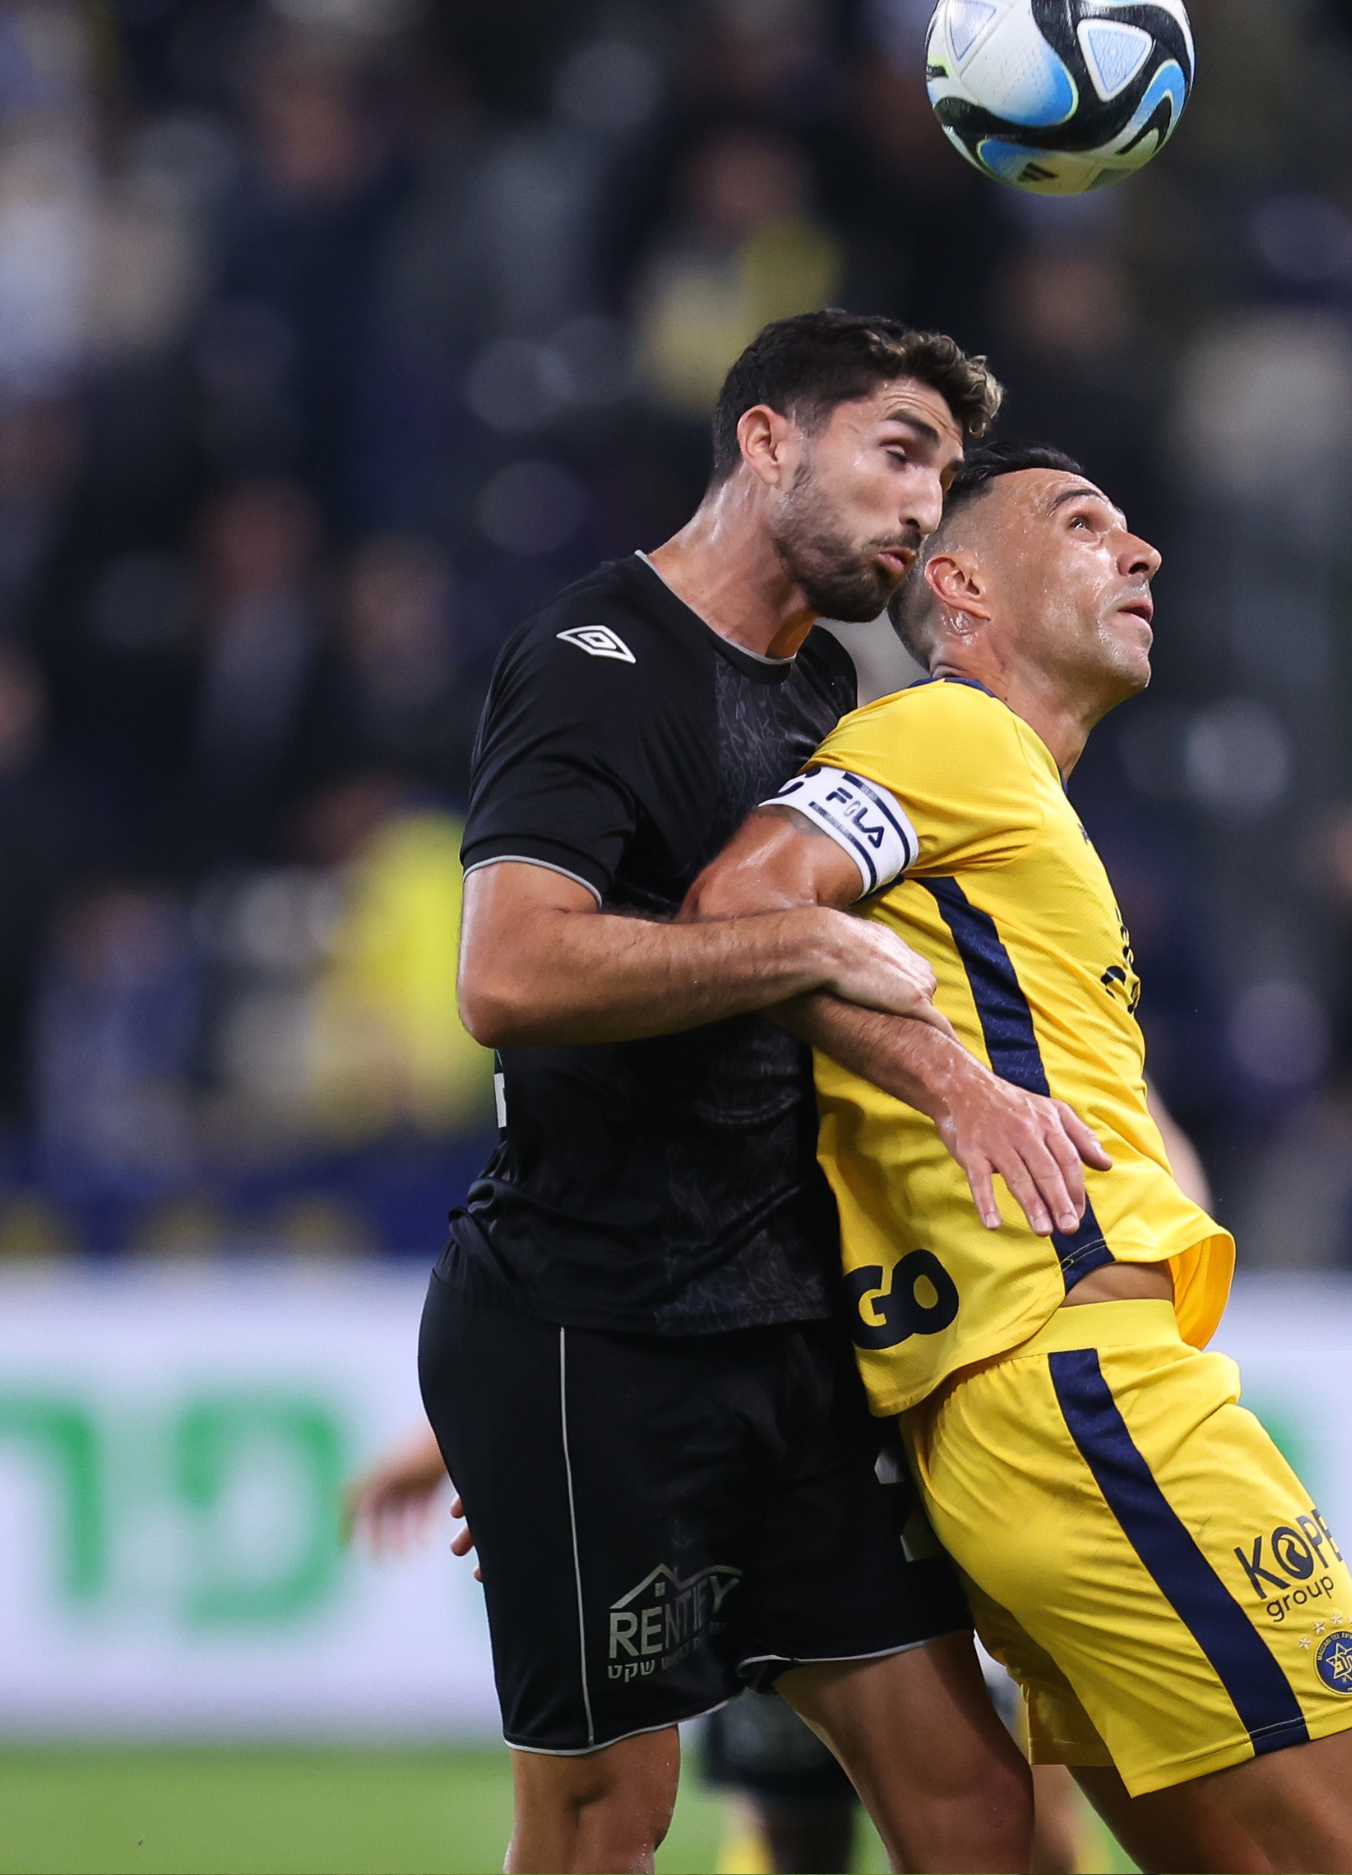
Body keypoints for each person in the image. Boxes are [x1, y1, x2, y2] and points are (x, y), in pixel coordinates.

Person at [685, 443, 1352, 1875]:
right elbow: (741, 901)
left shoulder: (1012, 811)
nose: (1143, 550)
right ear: (962, 586)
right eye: (1084, 523)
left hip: (1013, 1426)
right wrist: (952, 1084)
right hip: (1087, 1391)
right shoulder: (950, 738)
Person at [426, 314, 1115, 1875]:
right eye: (898, 451)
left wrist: (951, 1083)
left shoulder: (829, 709)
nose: (927, 504)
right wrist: (800, 928)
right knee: (616, 1816)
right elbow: (510, 978)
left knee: (977, 1806)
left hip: (790, 1346)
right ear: (765, 440)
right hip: (594, 1325)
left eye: (945, 472)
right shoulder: (595, 657)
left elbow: (815, 996)